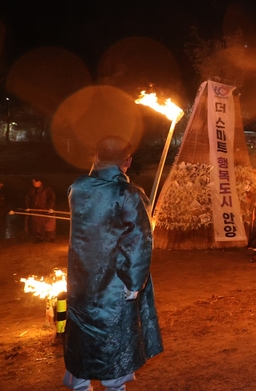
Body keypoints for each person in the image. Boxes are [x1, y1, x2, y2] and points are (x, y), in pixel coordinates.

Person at [63, 136, 163, 391]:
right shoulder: (127, 194)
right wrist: (134, 283)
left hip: (81, 280)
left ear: (95, 158)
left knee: (83, 334)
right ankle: (114, 385)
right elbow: (139, 241)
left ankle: (81, 383)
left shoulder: (77, 188)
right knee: (113, 338)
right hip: (114, 283)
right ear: (127, 161)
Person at [25, 177, 56, 242]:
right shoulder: (32, 190)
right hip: (36, 211)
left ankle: (50, 239)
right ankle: (39, 238)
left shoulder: (47, 189)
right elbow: (28, 199)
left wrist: (51, 208)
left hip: (46, 210)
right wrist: (28, 207)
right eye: (32, 182)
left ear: (39, 182)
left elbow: (51, 199)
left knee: (49, 225)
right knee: (37, 226)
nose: (33, 183)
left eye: (34, 182)